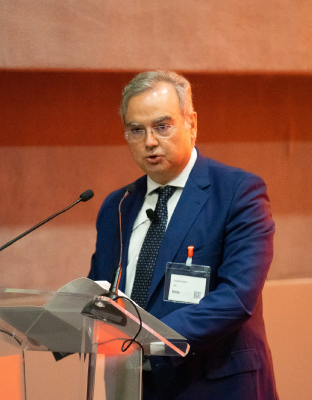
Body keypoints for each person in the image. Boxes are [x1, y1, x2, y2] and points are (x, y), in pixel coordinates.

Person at [88, 71, 278, 399]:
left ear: (191, 124)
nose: (149, 141)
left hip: (214, 385)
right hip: (132, 386)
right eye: (137, 130)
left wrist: (148, 340)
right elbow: (101, 291)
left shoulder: (237, 192)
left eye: (162, 126)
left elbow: (237, 297)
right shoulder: (117, 206)